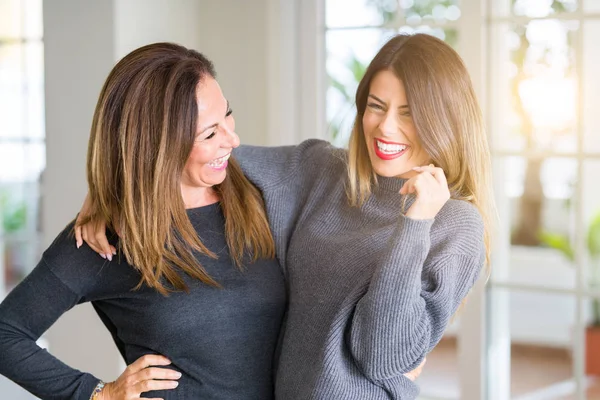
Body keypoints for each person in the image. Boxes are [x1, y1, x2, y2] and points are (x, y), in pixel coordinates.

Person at [78, 33, 494, 399]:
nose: (385, 128)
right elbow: (199, 152)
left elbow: (380, 355)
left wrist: (415, 223)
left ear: (444, 119)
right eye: (376, 106)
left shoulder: (455, 225)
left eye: (408, 113)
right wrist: (112, 190)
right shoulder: (324, 172)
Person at [0, 43, 286, 400]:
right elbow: (5, 334)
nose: (233, 139)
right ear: (158, 146)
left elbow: (330, 169)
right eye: (210, 134)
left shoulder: (259, 186)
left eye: (228, 114)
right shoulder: (106, 237)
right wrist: (97, 394)